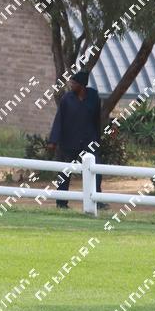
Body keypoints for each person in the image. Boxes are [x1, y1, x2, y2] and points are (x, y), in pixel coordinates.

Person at [47, 70, 107, 209]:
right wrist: (53, 141)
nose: (71, 85)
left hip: (88, 141)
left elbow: (97, 120)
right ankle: (61, 203)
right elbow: (59, 120)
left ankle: (97, 201)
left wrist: (97, 140)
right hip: (69, 142)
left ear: (81, 85)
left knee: (95, 171)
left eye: (73, 83)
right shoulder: (66, 99)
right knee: (64, 172)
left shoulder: (93, 97)